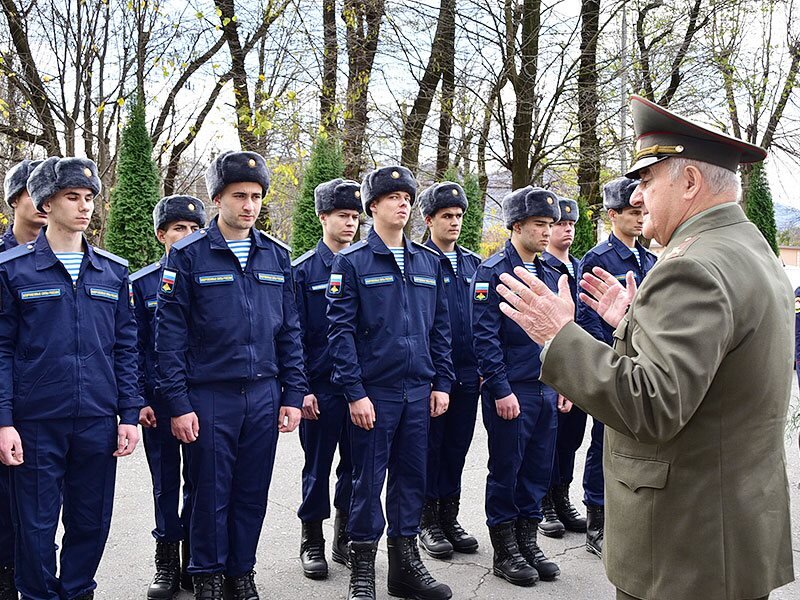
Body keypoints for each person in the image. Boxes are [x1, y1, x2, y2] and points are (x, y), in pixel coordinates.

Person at [495, 94, 794, 600]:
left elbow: (653, 405)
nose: (637, 198)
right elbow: (714, 368)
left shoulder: (690, 266)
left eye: (648, 181)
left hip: (683, 545)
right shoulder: (748, 247)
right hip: (724, 527)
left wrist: (558, 335)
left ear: (691, 183)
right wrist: (631, 322)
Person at [156, 151, 305, 600]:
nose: (249, 205)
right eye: (239, 195)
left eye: (256, 196)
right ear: (217, 198)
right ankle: (207, 576)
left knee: (251, 491)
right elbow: (170, 338)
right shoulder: (187, 255)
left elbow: (290, 330)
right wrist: (178, 404)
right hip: (209, 395)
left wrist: (293, 394)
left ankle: (242, 572)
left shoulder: (276, 256)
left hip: (262, 393)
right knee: (209, 493)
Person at [0, 157, 142, 600]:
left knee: (90, 520)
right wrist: (4, 421)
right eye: (71, 198)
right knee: (36, 526)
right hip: (37, 421)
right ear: (46, 202)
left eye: (88, 198)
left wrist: (129, 414)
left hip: (97, 420)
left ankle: (79, 591)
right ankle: (39, 595)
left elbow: (125, 348)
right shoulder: (13, 270)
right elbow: (1, 350)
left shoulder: (112, 272)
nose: (84, 207)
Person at [327, 166, 454, 600]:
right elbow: (339, 333)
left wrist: (442, 382)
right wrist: (355, 392)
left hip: (419, 391)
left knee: (412, 480)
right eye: (393, 197)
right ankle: (363, 567)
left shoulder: (427, 262)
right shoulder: (352, 262)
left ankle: (404, 567)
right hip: (374, 395)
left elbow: (440, 328)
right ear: (373, 207)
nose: (403, 203)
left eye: (407, 197)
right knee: (367, 481)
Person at [471, 186, 561, 587]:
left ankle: (528, 539)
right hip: (512, 389)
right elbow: (484, 338)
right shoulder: (492, 272)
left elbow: (562, 334)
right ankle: (505, 547)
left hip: (545, 386)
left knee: (538, 468)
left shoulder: (551, 273)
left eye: (550, 225)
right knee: (506, 467)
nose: (547, 232)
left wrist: (565, 383)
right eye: (539, 225)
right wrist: (500, 388)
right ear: (517, 225)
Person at [574, 177, 657, 557]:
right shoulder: (597, 259)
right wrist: (613, 354)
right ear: (612, 215)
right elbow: (589, 320)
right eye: (632, 212)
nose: (640, 219)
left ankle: (627, 517)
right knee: (603, 442)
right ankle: (597, 519)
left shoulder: (650, 260)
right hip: (613, 362)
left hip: (644, 364)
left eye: (643, 211)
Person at [132, 195, 206, 599]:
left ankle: (195, 559)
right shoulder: (142, 284)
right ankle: (166, 562)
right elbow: (135, 347)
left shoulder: (208, 275)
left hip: (198, 399)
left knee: (200, 481)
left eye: (195, 230)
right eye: (179, 229)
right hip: (158, 404)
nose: (187, 236)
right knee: (165, 483)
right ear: (162, 234)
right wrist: (141, 399)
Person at [292, 178, 361, 579]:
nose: (350, 223)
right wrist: (301, 389)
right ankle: (311, 539)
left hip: (355, 390)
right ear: (323, 217)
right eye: (342, 216)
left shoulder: (363, 264)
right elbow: (293, 334)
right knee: (317, 468)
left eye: (354, 216)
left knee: (354, 468)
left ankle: (345, 537)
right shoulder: (302, 271)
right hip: (319, 388)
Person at [417, 181, 481, 559]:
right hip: (432, 377)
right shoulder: (420, 260)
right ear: (429, 220)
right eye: (447, 216)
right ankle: (427, 520)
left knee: (457, 447)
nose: (454, 223)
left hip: (468, 373)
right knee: (430, 448)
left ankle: (449, 515)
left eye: (458, 216)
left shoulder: (473, 264)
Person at [0, 159, 47, 600]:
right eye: (35, 191)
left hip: (41, 408)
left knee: (36, 512)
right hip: (5, 402)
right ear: (15, 199)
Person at [538, 196, 587, 538]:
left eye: (571, 224)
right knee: (548, 440)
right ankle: (543, 503)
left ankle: (562, 496)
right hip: (554, 368)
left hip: (580, 367)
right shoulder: (541, 269)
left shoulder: (579, 266)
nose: (566, 229)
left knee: (570, 438)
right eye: (559, 224)